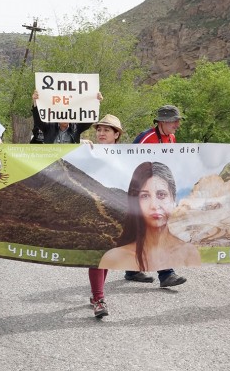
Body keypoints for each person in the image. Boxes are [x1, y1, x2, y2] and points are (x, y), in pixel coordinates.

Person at [125, 105, 187, 287]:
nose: (177, 124)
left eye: (178, 120)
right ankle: (166, 274)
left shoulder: (171, 138)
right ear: (162, 122)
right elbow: (128, 160)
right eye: (174, 121)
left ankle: (133, 269)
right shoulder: (146, 138)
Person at [100, 161, 200, 272]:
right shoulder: (114, 258)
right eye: (145, 196)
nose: (154, 205)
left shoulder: (189, 253)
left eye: (161, 195)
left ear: (173, 199)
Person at [84, 114, 126, 318]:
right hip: (93, 210)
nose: (101, 133)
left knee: (108, 255)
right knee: (97, 256)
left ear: (116, 135)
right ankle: (99, 298)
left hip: (116, 211)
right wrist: (78, 148)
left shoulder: (126, 155)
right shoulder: (89, 151)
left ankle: (96, 296)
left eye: (106, 130)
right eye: (99, 129)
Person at [30, 91, 101, 144]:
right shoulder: (48, 127)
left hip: (69, 163)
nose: (65, 117)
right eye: (62, 114)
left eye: (67, 114)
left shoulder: (76, 128)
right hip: (51, 162)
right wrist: (36, 102)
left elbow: (89, 119)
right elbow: (38, 121)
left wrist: (96, 102)